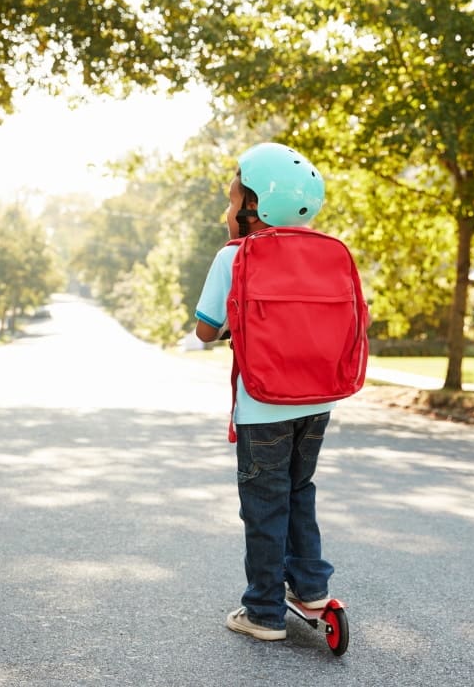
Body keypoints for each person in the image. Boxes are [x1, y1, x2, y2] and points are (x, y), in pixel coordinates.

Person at [194, 142, 335, 641]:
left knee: (264, 503)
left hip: (264, 405)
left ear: (255, 209)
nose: (226, 212)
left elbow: (206, 330)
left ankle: (263, 611)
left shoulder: (234, 255)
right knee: (300, 491)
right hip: (319, 402)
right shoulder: (326, 253)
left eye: (232, 202)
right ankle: (312, 586)